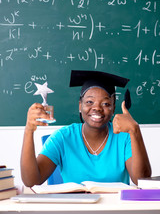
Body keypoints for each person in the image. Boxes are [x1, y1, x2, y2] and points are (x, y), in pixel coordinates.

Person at [21, 70, 151, 187]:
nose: (97, 108)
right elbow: (31, 181)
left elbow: (141, 180)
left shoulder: (124, 137)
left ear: (113, 108)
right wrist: (28, 130)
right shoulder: (62, 138)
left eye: (105, 104)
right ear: (80, 105)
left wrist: (135, 131)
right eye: (89, 102)